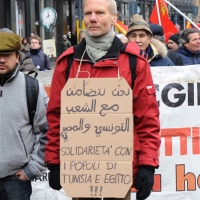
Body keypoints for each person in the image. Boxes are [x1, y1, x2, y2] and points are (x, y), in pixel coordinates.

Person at [45, 0, 160, 200]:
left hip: (118, 170)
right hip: (80, 169)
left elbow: (148, 119)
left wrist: (148, 165)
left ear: (114, 18)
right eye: (88, 13)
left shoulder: (134, 62)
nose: (93, 18)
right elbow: (56, 117)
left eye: (100, 12)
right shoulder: (68, 62)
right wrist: (54, 161)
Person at [0, 32, 48, 199]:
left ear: (17, 56)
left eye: (6, 54)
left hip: (16, 180)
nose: (1, 59)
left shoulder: (32, 88)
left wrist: (32, 169)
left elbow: (45, 131)